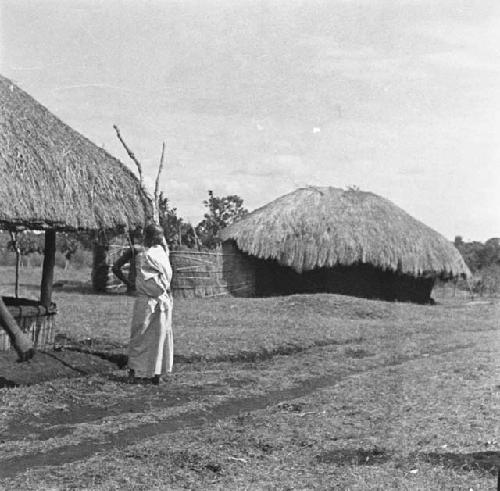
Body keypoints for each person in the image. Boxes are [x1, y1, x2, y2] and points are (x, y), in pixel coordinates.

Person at [113, 224, 173, 385]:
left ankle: (156, 373)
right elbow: (115, 267)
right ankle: (133, 371)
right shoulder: (138, 251)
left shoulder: (161, 252)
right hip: (145, 300)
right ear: (147, 235)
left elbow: (165, 276)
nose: (158, 239)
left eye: (160, 236)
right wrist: (129, 284)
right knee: (140, 334)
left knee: (159, 336)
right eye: (156, 236)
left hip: (161, 300)